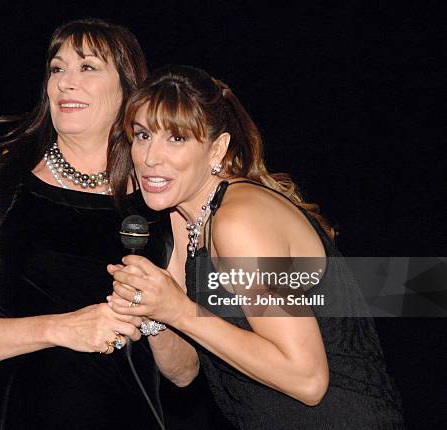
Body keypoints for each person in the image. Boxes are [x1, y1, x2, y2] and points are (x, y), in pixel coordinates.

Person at [106, 65, 405, 429]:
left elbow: (307, 379)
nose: (151, 157)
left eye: (177, 138)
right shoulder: (185, 222)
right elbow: (185, 372)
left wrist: (180, 310)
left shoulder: (239, 221)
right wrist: (154, 313)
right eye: (142, 135)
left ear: (217, 149)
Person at [0, 18, 174, 429]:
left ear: (128, 87)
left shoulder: (161, 200)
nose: (64, 83)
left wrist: (158, 314)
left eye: (87, 67)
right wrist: (61, 329)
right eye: (57, 69)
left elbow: (184, 372)